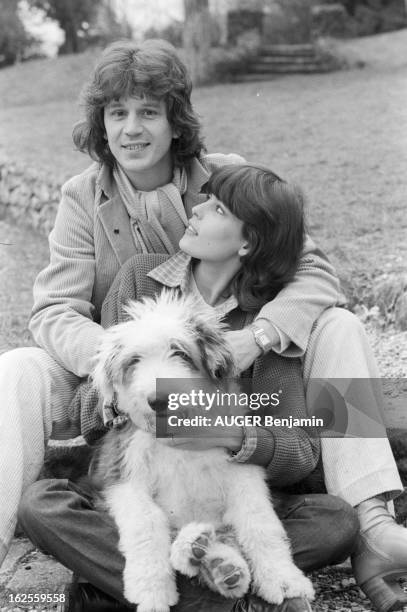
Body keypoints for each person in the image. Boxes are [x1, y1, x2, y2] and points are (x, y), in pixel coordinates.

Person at [0, 37, 405, 611]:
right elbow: (53, 311)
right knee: (17, 370)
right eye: (117, 114)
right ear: (101, 123)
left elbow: (310, 267)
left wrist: (255, 338)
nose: (131, 129)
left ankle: (369, 521)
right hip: (112, 362)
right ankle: (201, 585)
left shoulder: (228, 179)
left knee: (339, 327)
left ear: (176, 124)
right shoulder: (88, 206)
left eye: (148, 112)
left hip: (225, 373)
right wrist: (118, 367)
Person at [19, 163, 360, 612]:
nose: (195, 210)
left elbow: (299, 451)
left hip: (226, 496)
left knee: (336, 521)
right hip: (148, 491)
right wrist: (123, 408)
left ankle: (137, 585)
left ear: (248, 241)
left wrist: (232, 434)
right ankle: (224, 593)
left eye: (216, 208)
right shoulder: (141, 277)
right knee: (42, 504)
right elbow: (94, 404)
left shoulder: (273, 321)